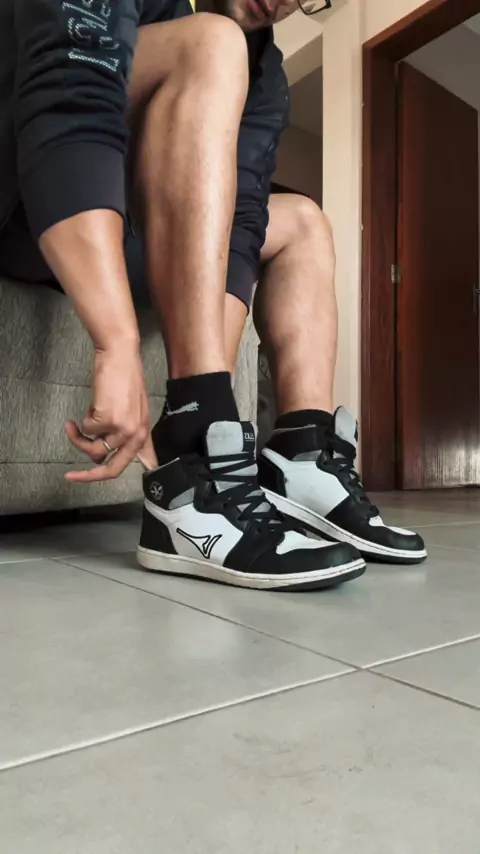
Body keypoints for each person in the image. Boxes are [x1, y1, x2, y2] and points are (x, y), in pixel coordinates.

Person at [0, 0, 426, 592]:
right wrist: (115, 339)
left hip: (132, 221)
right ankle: (194, 469)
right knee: (211, 43)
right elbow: (70, 98)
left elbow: (239, 226)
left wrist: (208, 418)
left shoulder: (265, 75)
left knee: (303, 222)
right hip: (29, 177)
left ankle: (300, 460)